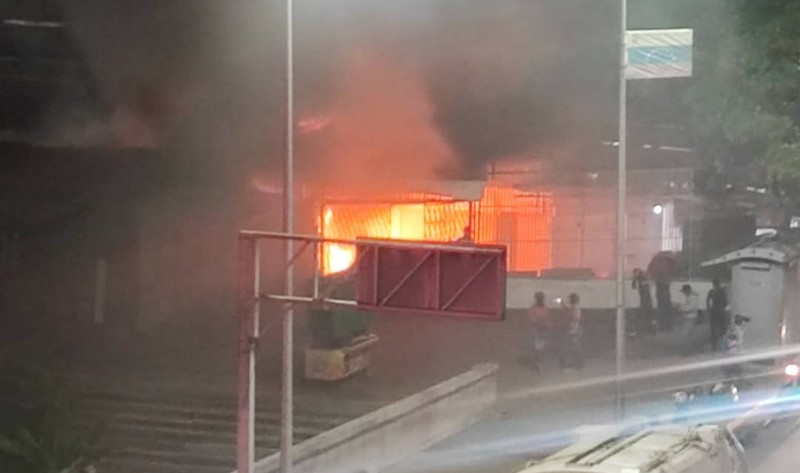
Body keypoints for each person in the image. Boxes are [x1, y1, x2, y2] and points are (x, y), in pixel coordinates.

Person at [558, 293, 583, 370]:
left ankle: (578, 363)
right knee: (572, 346)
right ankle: (575, 362)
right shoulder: (574, 307)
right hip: (572, 330)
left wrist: (571, 325)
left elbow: (574, 318)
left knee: (574, 347)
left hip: (573, 330)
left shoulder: (575, 308)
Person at [527, 291, 549, 371]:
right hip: (536, 329)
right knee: (537, 348)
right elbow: (530, 318)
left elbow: (546, 318)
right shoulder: (534, 308)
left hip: (542, 329)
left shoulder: (543, 307)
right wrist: (538, 321)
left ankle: (539, 362)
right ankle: (538, 363)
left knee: (541, 348)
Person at [707, 278, 730, 352]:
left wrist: (709, 309)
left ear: (713, 284)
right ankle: (723, 345)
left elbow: (707, 301)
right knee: (723, 329)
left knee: (713, 329)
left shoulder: (711, 292)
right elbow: (726, 302)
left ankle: (714, 346)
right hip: (721, 311)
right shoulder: (723, 292)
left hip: (714, 311)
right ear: (719, 283)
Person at [676, 284, 699, 353]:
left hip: (691, 318)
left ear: (687, 290)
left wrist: (681, 308)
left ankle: (689, 350)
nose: (684, 293)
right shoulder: (689, 297)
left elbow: (691, 308)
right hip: (688, 317)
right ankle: (688, 350)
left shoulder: (693, 298)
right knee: (687, 335)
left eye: (684, 291)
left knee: (687, 334)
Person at [632, 269, 655, 336]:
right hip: (644, 298)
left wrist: (647, 279)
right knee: (645, 314)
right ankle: (647, 329)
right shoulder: (639, 278)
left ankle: (649, 329)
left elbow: (644, 284)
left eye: (635, 273)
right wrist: (634, 278)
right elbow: (634, 286)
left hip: (646, 299)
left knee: (647, 313)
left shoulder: (642, 277)